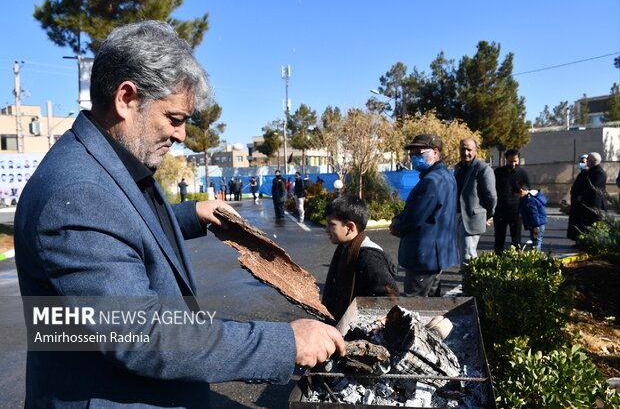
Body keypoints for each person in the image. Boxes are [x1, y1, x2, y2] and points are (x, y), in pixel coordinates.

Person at [14, 21, 344, 408]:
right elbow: (145, 336)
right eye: (174, 119)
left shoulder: (105, 163)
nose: (182, 136)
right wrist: (286, 343)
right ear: (126, 98)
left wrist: (192, 214)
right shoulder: (79, 192)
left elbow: (122, 223)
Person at [389, 134, 458, 297]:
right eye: (412, 154)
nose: (414, 158)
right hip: (435, 254)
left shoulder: (432, 181)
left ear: (435, 152)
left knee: (414, 305)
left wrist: (396, 224)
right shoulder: (446, 176)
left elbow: (415, 217)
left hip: (424, 256)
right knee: (430, 304)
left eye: (419, 153)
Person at [322, 196, 399, 321]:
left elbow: (391, 299)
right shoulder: (344, 248)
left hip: (359, 331)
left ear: (350, 228)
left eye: (331, 225)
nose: (326, 229)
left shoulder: (369, 257)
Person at [453, 138, 497, 268]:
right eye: (462, 149)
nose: (465, 152)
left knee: (468, 254)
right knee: (462, 253)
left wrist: (486, 216)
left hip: (472, 218)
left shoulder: (483, 169)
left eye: (469, 149)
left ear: (475, 151)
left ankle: (470, 285)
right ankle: (468, 283)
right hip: (457, 217)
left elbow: (492, 197)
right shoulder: (458, 168)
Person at [493, 149, 530, 253]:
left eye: (515, 161)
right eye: (511, 162)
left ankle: (516, 263)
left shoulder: (522, 173)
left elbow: (529, 190)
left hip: (516, 212)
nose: (513, 164)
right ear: (506, 160)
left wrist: (526, 192)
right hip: (500, 211)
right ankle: (497, 262)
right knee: (499, 239)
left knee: (516, 240)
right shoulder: (498, 172)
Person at [581, 151, 608, 227]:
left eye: (588, 159)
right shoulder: (591, 171)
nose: (586, 162)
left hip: (596, 204)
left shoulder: (598, 173)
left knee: (595, 225)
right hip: (590, 203)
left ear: (592, 160)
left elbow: (593, 188)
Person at [567, 154, 590, 241]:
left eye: (583, 162)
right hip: (576, 203)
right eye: (580, 162)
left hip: (582, 204)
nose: (581, 164)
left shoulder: (588, 174)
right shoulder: (581, 174)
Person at [518, 185, 548, 250]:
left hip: (537, 225)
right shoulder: (533, 197)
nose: (518, 196)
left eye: (519, 193)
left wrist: (536, 226)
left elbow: (534, 214)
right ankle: (536, 257)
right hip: (537, 224)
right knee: (536, 242)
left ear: (521, 191)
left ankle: (536, 258)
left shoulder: (530, 200)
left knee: (536, 243)